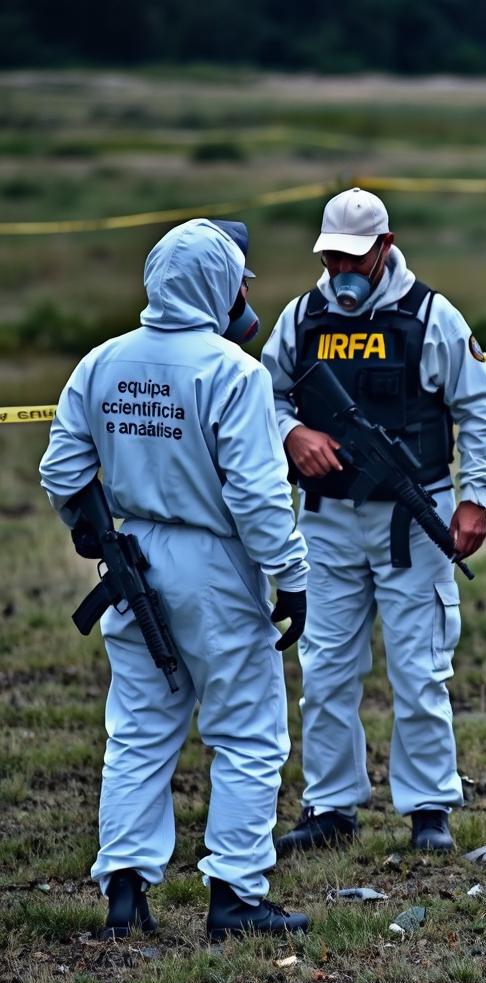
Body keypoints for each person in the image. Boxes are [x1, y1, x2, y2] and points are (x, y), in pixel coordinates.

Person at [39, 218, 310, 940]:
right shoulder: (234, 372)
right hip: (218, 566)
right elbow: (256, 497)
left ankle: (124, 896)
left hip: (133, 562)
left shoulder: (101, 362)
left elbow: (61, 471)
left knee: (138, 733)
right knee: (248, 734)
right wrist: (291, 576)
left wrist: (98, 533)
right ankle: (236, 898)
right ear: (220, 284)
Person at [262, 187, 486, 854]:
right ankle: (330, 807)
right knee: (327, 666)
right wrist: (291, 436)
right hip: (329, 518)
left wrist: (474, 496)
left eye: (353, 258)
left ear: (385, 249)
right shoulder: (303, 316)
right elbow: (265, 391)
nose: (341, 271)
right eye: (331, 257)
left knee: (420, 668)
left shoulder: (432, 317)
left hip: (409, 518)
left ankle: (429, 807)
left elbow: (480, 406)